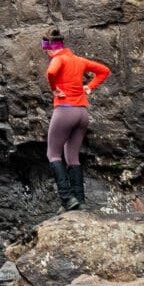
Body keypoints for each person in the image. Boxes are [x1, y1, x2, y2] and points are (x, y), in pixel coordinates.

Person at [42, 30, 110, 211]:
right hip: (82, 113)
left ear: (50, 49)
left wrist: (54, 89)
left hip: (65, 111)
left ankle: (67, 198)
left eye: (46, 50)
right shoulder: (79, 60)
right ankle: (80, 201)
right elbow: (104, 71)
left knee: (53, 154)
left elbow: (51, 72)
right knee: (72, 156)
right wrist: (90, 87)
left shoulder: (58, 59)